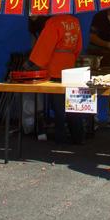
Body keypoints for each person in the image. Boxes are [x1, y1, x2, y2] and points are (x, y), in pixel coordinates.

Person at [27, 9, 85, 143]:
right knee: (73, 103)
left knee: (59, 105)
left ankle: (61, 136)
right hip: (70, 66)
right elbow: (78, 47)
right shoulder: (75, 21)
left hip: (56, 68)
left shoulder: (53, 22)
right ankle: (78, 136)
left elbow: (44, 46)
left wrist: (32, 63)